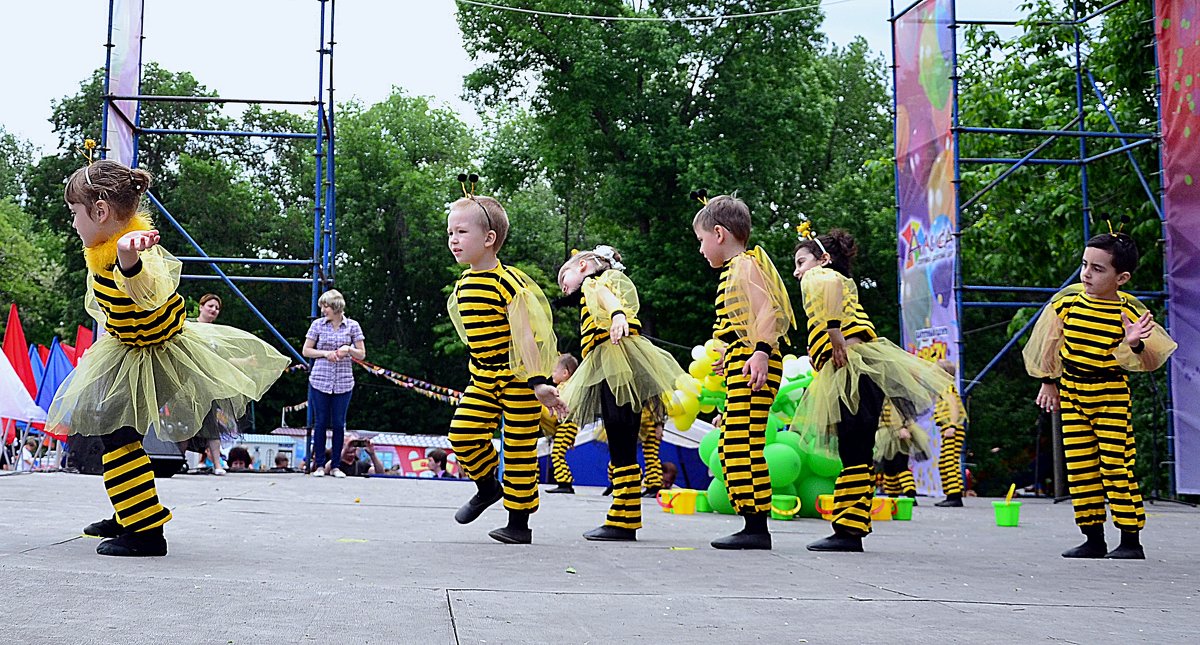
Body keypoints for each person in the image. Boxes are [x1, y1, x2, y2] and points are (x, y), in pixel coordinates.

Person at [47, 158, 288, 557]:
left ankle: (145, 531)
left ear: (100, 211)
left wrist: (129, 260)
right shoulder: (106, 251)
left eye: (76, 213)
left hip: (155, 356)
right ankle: (130, 513)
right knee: (121, 434)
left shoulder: (131, 253)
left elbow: (145, 290)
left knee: (120, 437)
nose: (74, 223)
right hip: (129, 352)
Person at [792, 225, 950, 552]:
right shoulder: (841, 282)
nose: (798, 271)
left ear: (823, 259)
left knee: (853, 449)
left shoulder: (820, 276)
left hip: (854, 369)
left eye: (801, 261)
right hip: (865, 368)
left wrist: (833, 335)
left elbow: (830, 288)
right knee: (858, 450)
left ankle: (848, 530)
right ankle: (852, 527)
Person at [1023, 229, 1176, 559]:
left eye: (1097, 268)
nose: (1086, 274)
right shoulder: (1066, 303)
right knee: (1080, 467)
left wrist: (1134, 341)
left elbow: (1149, 361)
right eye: (1084, 265)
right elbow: (1049, 345)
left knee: (1116, 464)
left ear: (1121, 277)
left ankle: (1130, 540)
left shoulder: (1130, 315)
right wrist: (1048, 381)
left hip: (1110, 394)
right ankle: (1093, 537)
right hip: (1074, 392)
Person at [445, 179, 566, 544]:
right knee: (462, 433)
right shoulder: (463, 284)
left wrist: (538, 381)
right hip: (482, 377)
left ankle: (518, 525)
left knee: (518, 450)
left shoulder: (508, 283)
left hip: (518, 378)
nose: (453, 239)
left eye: (462, 231)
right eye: (450, 232)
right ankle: (487, 487)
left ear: (489, 239)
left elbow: (527, 336)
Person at [558, 245, 686, 541]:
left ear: (582, 266)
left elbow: (607, 297)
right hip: (619, 362)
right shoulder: (605, 281)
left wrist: (617, 315)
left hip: (614, 360)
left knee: (620, 435)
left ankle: (623, 518)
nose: (563, 288)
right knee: (622, 436)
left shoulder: (595, 282)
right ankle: (625, 515)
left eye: (563, 278)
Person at [693, 193, 796, 550]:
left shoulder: (746, 266)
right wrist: (736, 351)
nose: (702, 249)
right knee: (733, 440)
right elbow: (744, 322)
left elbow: (768, 311)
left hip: (756, 362)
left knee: (743, 441)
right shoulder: (735, 270)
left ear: (719, 234)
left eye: (702, 240)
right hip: (744, 360)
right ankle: (751, 523)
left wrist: (761, 353)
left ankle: (756, 527)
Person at [302, 289, 366, 478]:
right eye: (322, 306)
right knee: (320, 422)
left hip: (344, 381)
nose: (323, 310)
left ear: (336, 307)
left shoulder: (353, 326)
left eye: (326, 306)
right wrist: (324, 354)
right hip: (320, 379)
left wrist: (349, 349)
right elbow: (306, 350)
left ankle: (336, 466)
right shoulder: (317, 325)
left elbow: (362, 354)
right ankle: (320, 464)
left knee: (339, 424)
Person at [178, 292, 228, 476]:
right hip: (188, 384)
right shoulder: (188, 326)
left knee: (211, 426)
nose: (214, 310)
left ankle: (217, 464)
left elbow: (222, 359)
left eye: (217, 308)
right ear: (201, 306)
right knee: (184, 423)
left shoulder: (218, 333)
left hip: (208, 386)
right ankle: (178, 460)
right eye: (210, 306)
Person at [875, 400, 929, 503]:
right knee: (889, 467)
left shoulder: (896, 397)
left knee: (900, 465)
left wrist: (901, 427)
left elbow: (900, 412)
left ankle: (910, 494)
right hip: (886, 433)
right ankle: (893, 495)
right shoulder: (884, 398)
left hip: (897, 432)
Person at [544, 354, 580, 494]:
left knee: (557, 453)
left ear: (565, 373)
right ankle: (565, 481)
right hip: (567, 426)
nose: (551, 373)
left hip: (567, 424)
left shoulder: (565, 388)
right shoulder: (567, 386)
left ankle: (565, 482)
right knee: (558, 452)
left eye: (554, 370)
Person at [934, 360, 968, 507]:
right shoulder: (943, 389)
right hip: (947, 428)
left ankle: (954, 496)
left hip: (951, 427)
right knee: (944, 462)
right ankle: (951, 493)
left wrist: (952, 425)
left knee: (949, 461)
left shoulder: (947, 388)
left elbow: (954, 406)